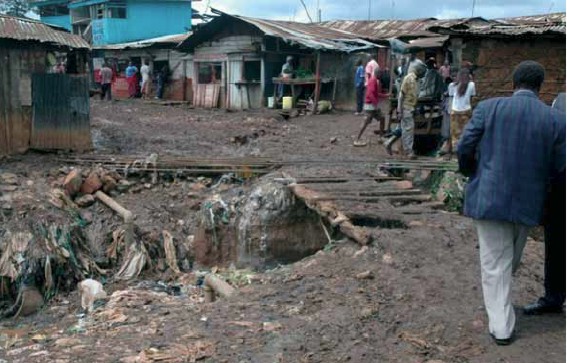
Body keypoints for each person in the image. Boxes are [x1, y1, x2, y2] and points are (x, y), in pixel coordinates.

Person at [457, 61, 565, 346]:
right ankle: (501, 322)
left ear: (514, 83)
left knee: (497, 263)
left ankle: (502, 330)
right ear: (540, 86)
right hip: (529, 203)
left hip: (489, 197)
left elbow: (465, 146)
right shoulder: (556, 120)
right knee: (505, 260)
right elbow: (559, 167)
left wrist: (472, 173)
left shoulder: (489, 108)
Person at [523, 92, 566, 315]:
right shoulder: (561, 102)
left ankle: (554, 297)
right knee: (557, 243)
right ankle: (554, 297)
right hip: (560, 182)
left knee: (557, 242)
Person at [386, 60, 427, 158]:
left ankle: (388, 143)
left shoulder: (418, 81)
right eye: (424, 72)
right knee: (408, 130)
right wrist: (399, 111)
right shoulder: (409, 78)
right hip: (406, 108)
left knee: (403, 129)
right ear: (419, 71)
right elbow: (401, 95)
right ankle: (408, 151)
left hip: (411, 108)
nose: (424, 74)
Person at [443, 68, 476, 158]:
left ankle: (456, 153)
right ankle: (466, 152)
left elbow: (451, 98)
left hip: (455, 111)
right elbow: (471, 99)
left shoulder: (452, 86)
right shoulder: (472, 85)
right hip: (466, 111)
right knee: (466, 132)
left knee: (455, 134)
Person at [353, 67, 389, 146]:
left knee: (382, 118)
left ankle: (380, 137)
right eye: (381, 74)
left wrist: (385, 95)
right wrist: (375, 103)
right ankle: (357, 139)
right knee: (365, 123)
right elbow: (370, 94)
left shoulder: (373, 80)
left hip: (371, 106)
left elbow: (375, 93)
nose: (382, 75)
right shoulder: (373, 81)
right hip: (370, 106)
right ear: (378, 73)